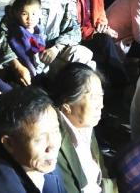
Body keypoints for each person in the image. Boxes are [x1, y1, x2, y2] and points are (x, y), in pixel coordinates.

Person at [0, 86, 66, 193]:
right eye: (40, 139)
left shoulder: (44, 160)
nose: (53, 145)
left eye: (55, 131)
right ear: (9, 143)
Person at [46, 63, 112, 193]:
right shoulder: (55, 145)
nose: (101, 105)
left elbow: (101, 170)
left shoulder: (84, 124)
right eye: (94, 98)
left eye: (101, 96)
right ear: (67, 106)